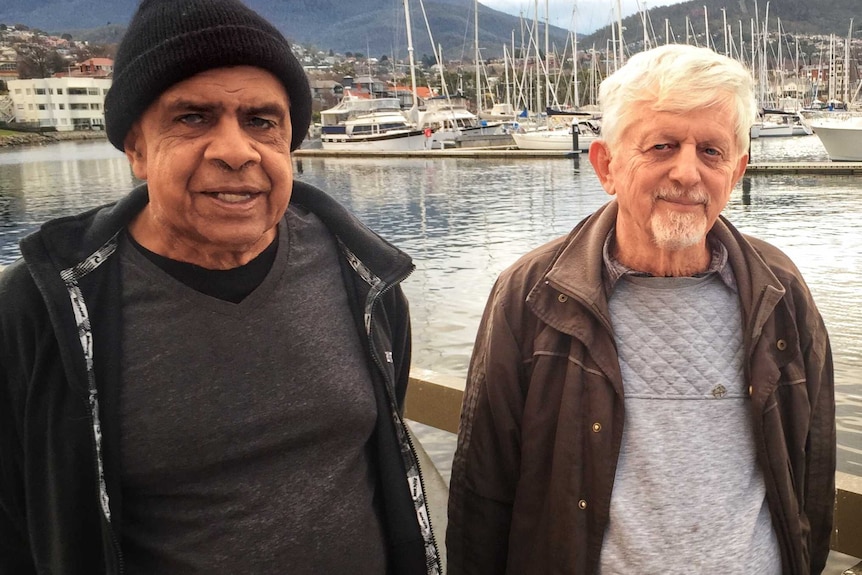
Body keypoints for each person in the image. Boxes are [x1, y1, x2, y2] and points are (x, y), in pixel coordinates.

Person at [0, 0, 442, 573]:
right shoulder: (45, 307)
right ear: (136, 147)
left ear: (289, 143)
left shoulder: (362, 276)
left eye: (261, 121)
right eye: (192, 117)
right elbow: (13, 526)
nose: (235, 151)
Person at [447, 44, 835, 575]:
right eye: (662, 146)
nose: (687, 173)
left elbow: (812, 472)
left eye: (712, 152)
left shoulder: (781, 290)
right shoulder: (532, 294)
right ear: (606, 164)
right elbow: (482, 490)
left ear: (737, 171)